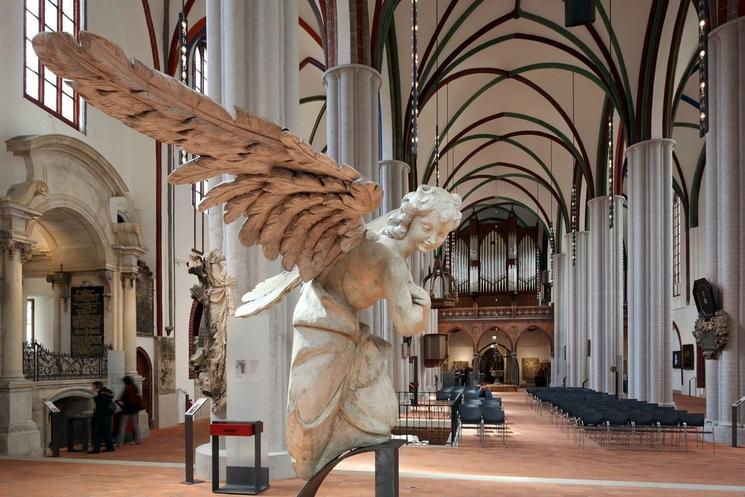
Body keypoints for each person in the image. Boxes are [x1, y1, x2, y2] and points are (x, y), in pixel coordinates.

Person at [89, 381, 115, 453]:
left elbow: (99, 404)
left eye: (92, 386)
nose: (91, 388)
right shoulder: (106, 392)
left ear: (96, 387)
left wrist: (95, 396)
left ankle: (96, 449)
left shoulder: (101, 393)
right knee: (106, 432)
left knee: (98, 432)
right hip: (106, 415)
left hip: (102, 415)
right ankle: (110, 447)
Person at [116, 376, 142, 446]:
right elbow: (138, 396)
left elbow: (122, 398)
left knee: (122, 425)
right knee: (135, 425)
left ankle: (119, 442)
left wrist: (118, 400)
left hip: (127, 410)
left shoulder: (127, 388)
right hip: (135, 409)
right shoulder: (135, 387)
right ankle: (138, 440)